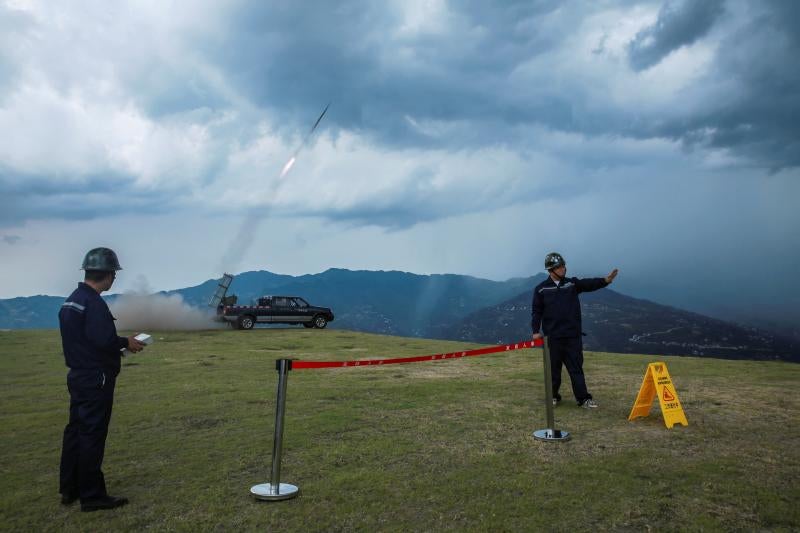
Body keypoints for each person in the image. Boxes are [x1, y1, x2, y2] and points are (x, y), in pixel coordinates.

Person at [58, 247, 146, 512]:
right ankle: (93, 495)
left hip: (78, 375)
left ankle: (70, 488)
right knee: (92, 435)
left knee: (75, 431)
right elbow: (104, 340)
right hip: (96, 378)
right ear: (107, 274)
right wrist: (126, 342)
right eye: (114, 274)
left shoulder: (72, 300)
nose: (115, 279)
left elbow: (85, 340)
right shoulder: (94, 303)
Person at [531, 252, 618, 408]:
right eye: (560, 267)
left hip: (572, 336)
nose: (564, 269)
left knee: (576, 369)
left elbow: (588, 284)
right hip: (553, 338)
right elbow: (536, 311)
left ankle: (583, 399)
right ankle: (553, 397)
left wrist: (605, 281)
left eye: (564, 265)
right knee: (553, 371)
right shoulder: (541, 289)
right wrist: (535, 331)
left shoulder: (571, 284)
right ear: (551, 270)